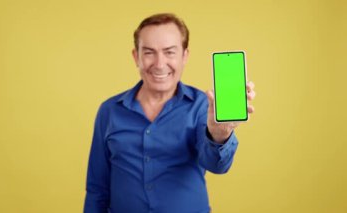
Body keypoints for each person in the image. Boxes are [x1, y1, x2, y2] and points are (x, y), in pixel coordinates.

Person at [84, 13, 256, 213]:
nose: (159, 64)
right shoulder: (110, 111)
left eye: (169, 52)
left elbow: (217, 165)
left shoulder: (202, 106)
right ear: (136, 56)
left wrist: (220, 133)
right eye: (149, 52)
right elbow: (97, 189)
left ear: (185, 56)